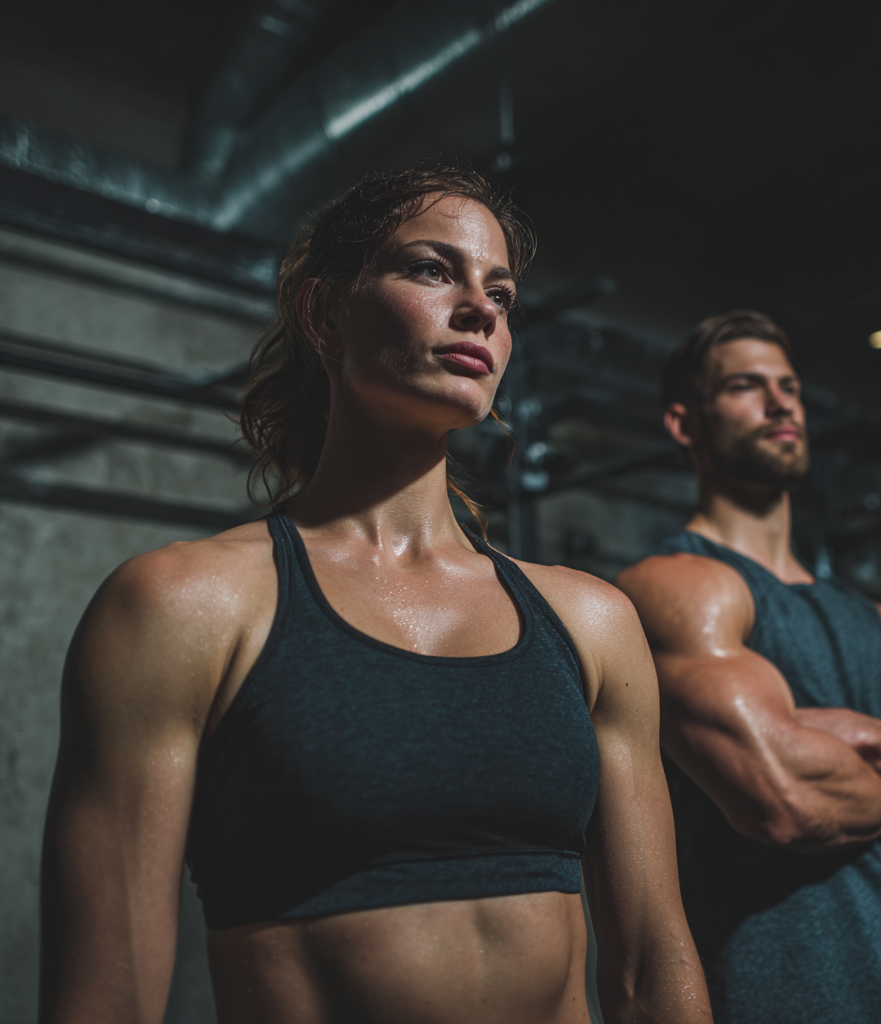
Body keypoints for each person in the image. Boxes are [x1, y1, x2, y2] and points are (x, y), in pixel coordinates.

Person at [39, 165, 711, 1024]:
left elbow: (655, 964)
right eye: (433, 270)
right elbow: (104, 1002)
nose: (481, 309)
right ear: (324, 315)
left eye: (500, 293)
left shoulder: (589, 620)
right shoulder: (184, 605)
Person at [616, 310, 881, 1024]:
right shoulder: (679, 585)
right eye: (746, 386)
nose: (780, 403)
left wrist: (859, 736)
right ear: (685, 424)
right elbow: (786, 799)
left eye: (789, 387)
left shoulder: (872, 620)